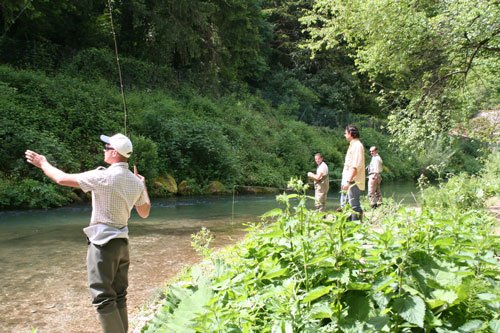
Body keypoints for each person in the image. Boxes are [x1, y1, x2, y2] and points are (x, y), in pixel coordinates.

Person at [25, 133, 151, 333]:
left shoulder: (103, 176)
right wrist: (142, 185)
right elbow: (144, 212)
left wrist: (43, 163)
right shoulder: (135, 182)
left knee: (103, 298)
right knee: (119, 295)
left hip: (103, 244)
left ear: (114, 153)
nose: (103, 149)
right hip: (122, 245)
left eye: (106, 147)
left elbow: (61, 179)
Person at [340, 125, 365, 221]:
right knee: (345, 205)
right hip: (348, 181)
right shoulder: (353, 145)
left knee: (354, 207)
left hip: (352, 182)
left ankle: (356, 230)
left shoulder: (357, 146)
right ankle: (347, 229)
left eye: (345, 133)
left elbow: (355, 166)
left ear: (350, 134)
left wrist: (348, 181)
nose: (344, 135)